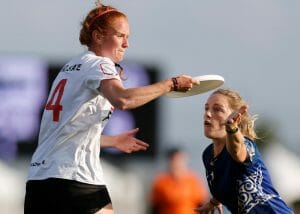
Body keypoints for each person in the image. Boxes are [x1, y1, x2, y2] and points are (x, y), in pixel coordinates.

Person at [24, 2, 199, 214]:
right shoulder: (99, 64)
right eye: (120, 36)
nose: (126, 44)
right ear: (98, 37)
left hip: (38, 182)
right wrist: (170, 84)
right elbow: (122, 99)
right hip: (75, 179)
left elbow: (65, 134)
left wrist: (112, 141)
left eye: (128, 37)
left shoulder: (68, 69)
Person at [195, 88, 293, 214]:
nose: (208, 113)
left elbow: (236, 151)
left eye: (217, 109)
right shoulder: (208, 155)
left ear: (236, 118)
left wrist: (231, 128)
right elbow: (227, 180)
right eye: (206, 108)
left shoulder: (245, 144)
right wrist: (213, 201)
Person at [150, 147, 208, 214]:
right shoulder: (161, 181)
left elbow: (201, 204)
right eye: (175, 160)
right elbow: (155, 206)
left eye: (180, 160)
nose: (178, 163)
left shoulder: (193, 180)